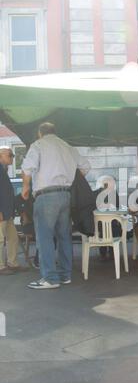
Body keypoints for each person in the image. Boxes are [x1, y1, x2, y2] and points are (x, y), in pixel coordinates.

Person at [22, 122, 90, 289]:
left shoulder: (38, 145)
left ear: (40, 133)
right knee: (64, 236)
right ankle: (65, 275)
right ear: (55, 131)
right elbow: (86, 166)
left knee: (45, 237)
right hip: (66, 195)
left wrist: (25, 188)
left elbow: (27, 168)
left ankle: (50, 279)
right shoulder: (67, 146)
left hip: (46, 195)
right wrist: (70, 180)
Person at [0, 147, 28, 275]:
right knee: (0, 239)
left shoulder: (3, 170)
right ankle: (1, 267)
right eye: (10, 155)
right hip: (2, 211)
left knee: (13, 238)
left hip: (7, 212)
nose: (12, 157)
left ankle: (12, 263)